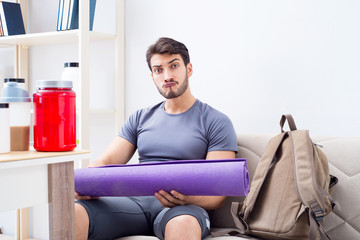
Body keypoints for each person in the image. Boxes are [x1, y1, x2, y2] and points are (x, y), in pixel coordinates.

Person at [75, 37, 238, 240]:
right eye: (159, 70)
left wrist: (188, 198)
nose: (167, 75)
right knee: (74, 212)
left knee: (184, 224)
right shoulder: (140, 117)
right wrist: (88, 184)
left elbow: (218, 193)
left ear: (189, 69)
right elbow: (106, 162)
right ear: (152, 76)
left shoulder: (216, 121)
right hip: (134, 205)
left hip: (183, 209)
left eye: (174, 66)